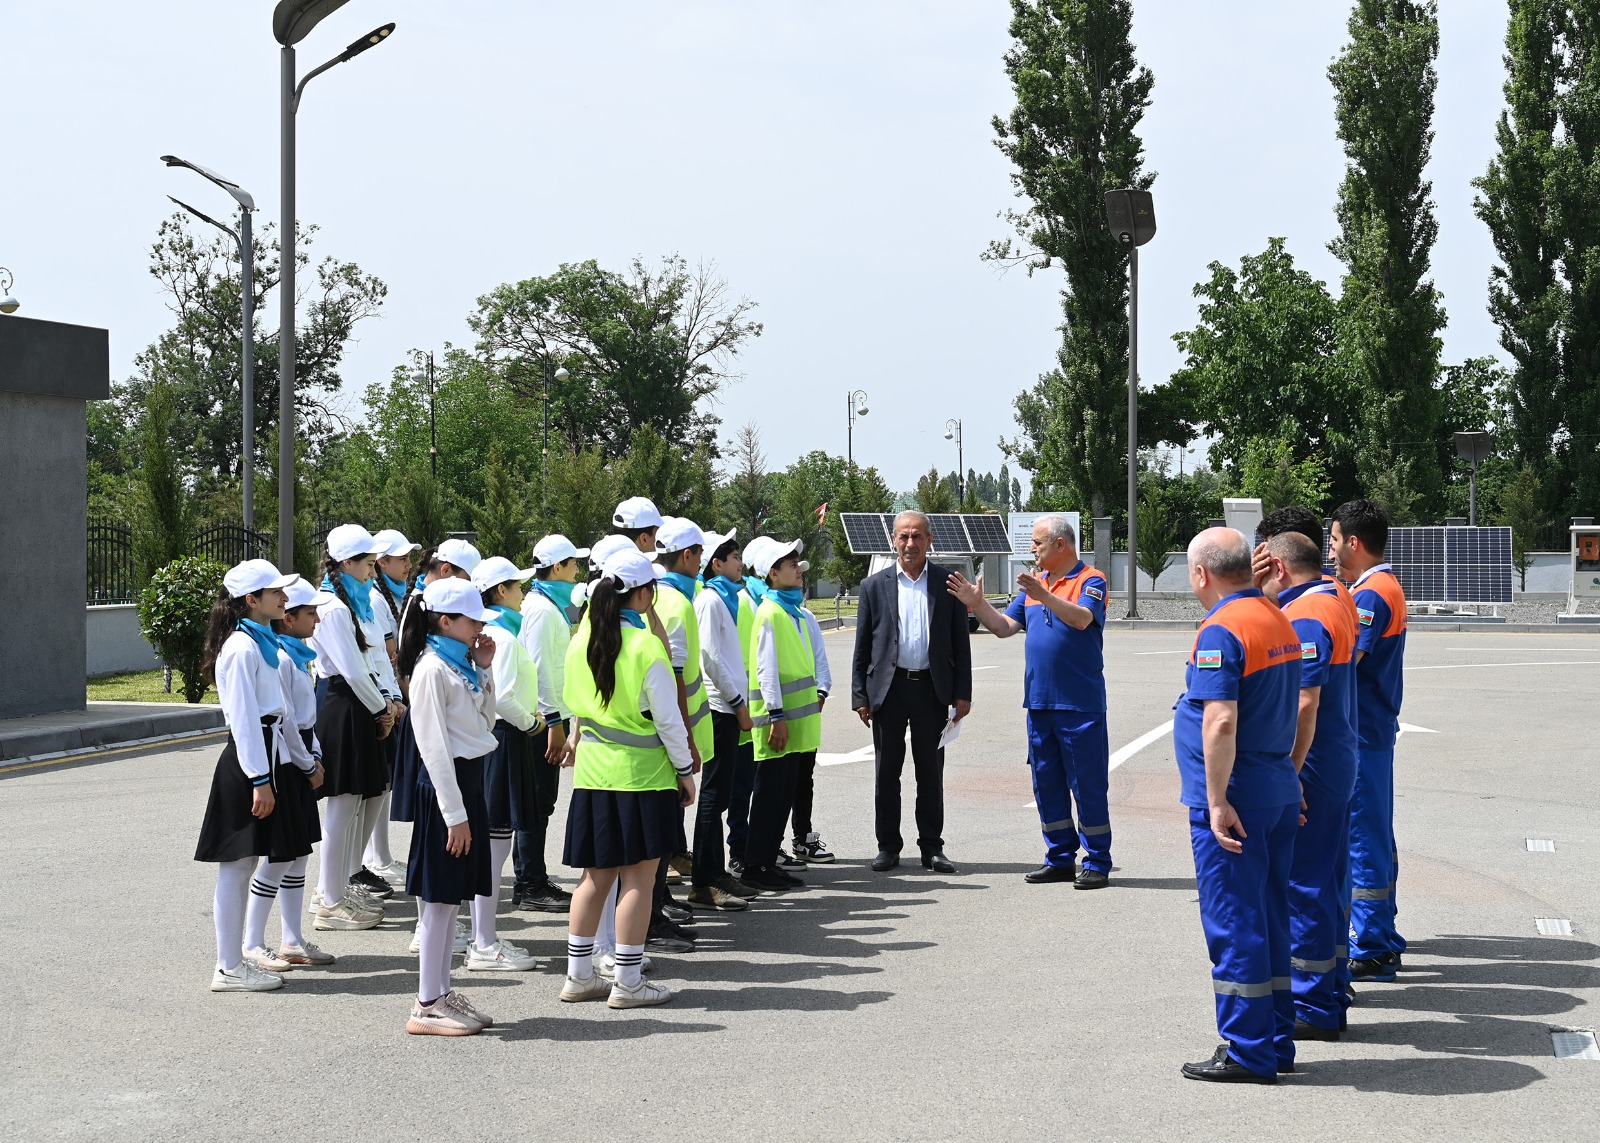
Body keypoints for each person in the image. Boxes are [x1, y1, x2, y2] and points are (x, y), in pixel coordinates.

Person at [1175, 528, 1303, 1084]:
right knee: (1272, 918)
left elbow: (1220, 718)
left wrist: (1217, 799)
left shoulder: (1221, 629)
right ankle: (1275, 1040)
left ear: (1201, 573)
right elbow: (1301, 709)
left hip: (1241, 797)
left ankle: (1248, 1049)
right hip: (1274, 785)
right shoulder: (1277, 617)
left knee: (1234, 922)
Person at [559, 548, 696, 1009]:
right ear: (643, 594)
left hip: (593, 775)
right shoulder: (644, 646)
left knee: (594, 878)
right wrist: (684, 770)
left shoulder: (581, 639)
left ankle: (579, 975)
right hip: (642, 777)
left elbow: (576, 706)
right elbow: (669, 721)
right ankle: (629, 981)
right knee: (639, 878)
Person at [948, 514, 1111, 888]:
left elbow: (1083, 619)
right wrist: (977, 604)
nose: (1032, 549)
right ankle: (1059, 857)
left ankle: (1098, 861)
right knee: (1047, 783)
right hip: (1039, 704)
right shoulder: (1035, 586)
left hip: (1080, 704)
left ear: (1060, 544)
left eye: (1037, 542)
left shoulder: (1091, 579)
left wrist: (1046, 597)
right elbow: (1005, 627)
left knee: (1087, 784)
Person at [1258, 532, 1359, 1040]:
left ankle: (1314, 1004)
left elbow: (1304, 703)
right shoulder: (1333, 596)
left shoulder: (1307, 616)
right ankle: (1332, 985)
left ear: (1276, 565)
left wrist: (1289, 773)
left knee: (1306, 885)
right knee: (1329, 880)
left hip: (1314, 767)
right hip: (1336, 759)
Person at [194, 559, 311, 992]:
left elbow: (279, 715)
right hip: (250, 762)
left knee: (245, 862)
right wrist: (260, 779)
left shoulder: (260, 642)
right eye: (276, 592)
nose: (284, 598)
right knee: (237, 865)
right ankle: (228, 966)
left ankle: (234, 962)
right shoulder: (242, 648)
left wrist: (288, 766)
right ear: (251, 600)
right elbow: (243, 719)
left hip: (266, 757)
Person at [395, 578, 502, 1036]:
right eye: (472, 618)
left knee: (452, 895)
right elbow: (433, 748)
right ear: (445, 621)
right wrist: (453, 815)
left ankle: (440, 990)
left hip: (468, 781)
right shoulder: (430, 670)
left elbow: (486, 722)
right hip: (446, 787)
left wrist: (485, 669)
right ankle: (425, 1003)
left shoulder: (458, 664)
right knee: (438, 898)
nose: (479, 624)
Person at [851, 510, 972, 873]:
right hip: (888, 692)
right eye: (903, 536)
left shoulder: (947, 584)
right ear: (893, 541)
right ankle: (888, 847)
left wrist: (962, 693)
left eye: (917, 536)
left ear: (929, 540)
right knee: (886, 774)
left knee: (930, 774)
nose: (910, 543)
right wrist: (860, 695)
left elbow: (960, 643)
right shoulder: (874, 586)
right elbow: (863, 645)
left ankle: (932, 847)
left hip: (932, 692)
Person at [1329, 499, 1408, 982]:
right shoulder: (1375, 588)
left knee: (1363, 839)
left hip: (1361, 732)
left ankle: (1373, 943)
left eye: (1335, 540)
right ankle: (1382, 932)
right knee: (1374, 834)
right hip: (1370, 731)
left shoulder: (1371, 596)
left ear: (1355, 542)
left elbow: (1346, 662)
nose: (1331, 549)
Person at [309, 525, 396, 931]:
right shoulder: (333, 607)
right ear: (346, 562)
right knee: (343, 806)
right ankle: (329, 899)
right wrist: (383, 708)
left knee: (365, 796)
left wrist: (385, 703)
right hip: (343, 704)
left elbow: (372, 663)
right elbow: (351, 669)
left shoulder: (355, 602)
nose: (373, 569)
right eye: (366, 562)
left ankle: (340, 885)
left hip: (359, 701)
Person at [248, 578, 338, 972]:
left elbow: (306, 720)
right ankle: (252, 941)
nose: (317, 619)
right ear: (288, 619)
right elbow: (285, 724)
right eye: (310, 613)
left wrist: (314, 754)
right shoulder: (283, 659)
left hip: (302, 755)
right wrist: (307, 764)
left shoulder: (298, 657)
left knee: (299, 853)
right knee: (279, 855)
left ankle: (291, 938)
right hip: (287, 763)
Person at [465, 555, 546, 972]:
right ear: (501, 591)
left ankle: (484, 937)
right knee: (495, 847)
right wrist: (535, 723)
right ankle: (483, 943)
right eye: (518, 585)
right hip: (505, 740)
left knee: (494, 845)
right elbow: (505, 698)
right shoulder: (505, 638)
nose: (524, 591)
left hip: (495, 740)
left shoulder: (494, 634)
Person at [741, 539, 824, 892]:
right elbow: (765, 669)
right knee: (768, 799)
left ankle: (767, 862)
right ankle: (755, 866)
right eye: (791, 565)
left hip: (797, 725)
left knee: (782, 797)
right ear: (773, 574)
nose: (799, 571)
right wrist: (775, 715)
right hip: (779, 725)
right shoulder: (769, 612)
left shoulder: (792, 611)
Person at [514, 533, 589, 912]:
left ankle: (531, 880)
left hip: (546, 718)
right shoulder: (542, 610)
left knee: (538, 802)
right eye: (573, 564)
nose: (578, 571)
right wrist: (555, 723)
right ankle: (531, 884)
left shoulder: (547, 606)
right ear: (556, 567)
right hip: (543, 721)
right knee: (536, 803)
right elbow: (541, 670)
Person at [691, 529, 766, 906]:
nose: (740, 563)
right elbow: (710, 656)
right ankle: (706, 881)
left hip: (729, 707)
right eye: (733, 557)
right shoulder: (709, 601)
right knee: (712, 796)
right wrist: (738, 704)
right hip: (720, 709)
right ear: (716, 564)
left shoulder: (726, 599)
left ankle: (715, 874)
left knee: (719, 796)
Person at [361, 528, 421, 892]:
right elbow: (388, 653)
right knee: (376, 785)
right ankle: (373, 857)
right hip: (387, 695)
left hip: (392, 695)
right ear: (381, 562)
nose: (408, 565)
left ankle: (378, 855)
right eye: (401, 559)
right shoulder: (377, 597)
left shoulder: (393, 595)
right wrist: (401, 695)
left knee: (384, 784)